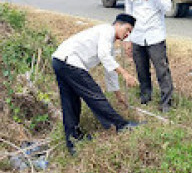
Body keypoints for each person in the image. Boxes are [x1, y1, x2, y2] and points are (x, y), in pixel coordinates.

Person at [52, 13, 143, 155]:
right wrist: (125, 73)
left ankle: (73, 142)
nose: (127, 34)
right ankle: (121, 125)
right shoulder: (107, 30)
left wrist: (118, 95)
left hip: (60, 60)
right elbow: (104, 56)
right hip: (70, 61)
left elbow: (110, 71)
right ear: (118, 24)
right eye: (127, 29)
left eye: (130, 32)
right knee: (94, 95)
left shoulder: (108, 41)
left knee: (70, 102)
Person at [124, 0, 174, 113]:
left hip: (155, 36)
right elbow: (128, 16)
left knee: (162, 70)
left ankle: (166, 102)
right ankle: (146, 96)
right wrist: (127, 39)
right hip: (138, 36)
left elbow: (167, 8)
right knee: (141, 69)